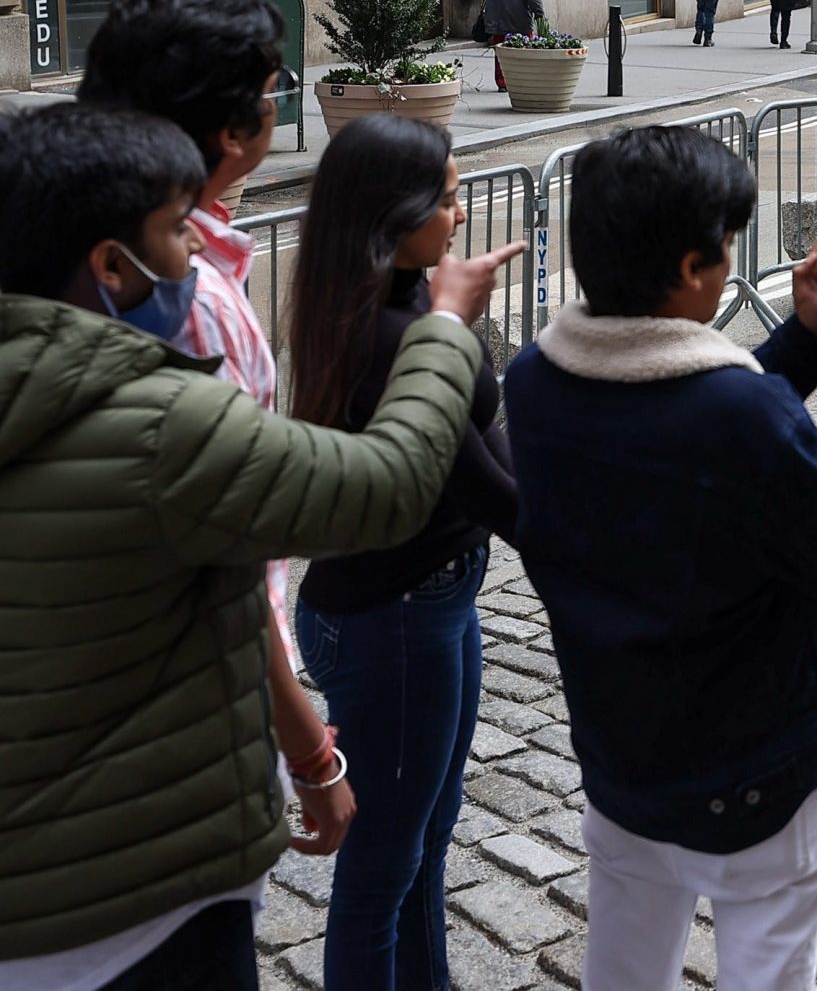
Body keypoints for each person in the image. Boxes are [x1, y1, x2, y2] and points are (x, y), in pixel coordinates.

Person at [0, 100, 511, 984]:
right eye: (175, 230)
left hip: (59, 905)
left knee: (418, 843)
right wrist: (449, 329)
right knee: (386, 872)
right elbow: (384, 489)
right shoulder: (163, 423)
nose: (197, 252)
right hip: (150, 902)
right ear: (109, 266)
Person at [504, 126, 817, 991]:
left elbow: (684, 423)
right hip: (755, 771)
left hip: (625, 750)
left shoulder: (537, 380)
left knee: (623, 963)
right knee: (766, 966)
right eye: (726, 249)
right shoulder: (736, 416)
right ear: (694, 269)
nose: (732, 265)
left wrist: (802, 344)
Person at [78, 0, 354, 863]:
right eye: (275, 93)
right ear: (236, 134)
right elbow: (228, 565)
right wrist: (312, 755)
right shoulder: (188, 301)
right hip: (186, 730)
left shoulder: (87, 251)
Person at [286, 116, 518, 990]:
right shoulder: (390, 338)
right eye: (448, 199)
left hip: (434, 599)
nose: (460, 217)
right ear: (396, 213)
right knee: (383, 867)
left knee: (426, 836)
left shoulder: (404, 301)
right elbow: (503, 498)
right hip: (396, 616)